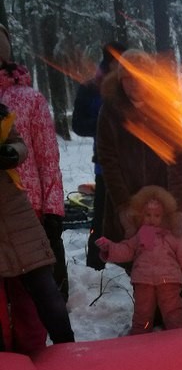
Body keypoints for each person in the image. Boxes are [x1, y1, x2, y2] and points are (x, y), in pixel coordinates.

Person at [96, 49, 182, 326]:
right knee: (143, 270)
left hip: (164, 204)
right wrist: (123, 205)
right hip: (132, 202)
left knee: (175, 268)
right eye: (127, 78)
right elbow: (108, 157)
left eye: (138, 78)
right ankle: (151, 327)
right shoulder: (111, 110)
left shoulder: (164, 107)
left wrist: (175, 206)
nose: (133, 84)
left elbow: (178, 159)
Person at [0, 24, 68, 302]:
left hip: (28, 209)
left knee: (30, 297)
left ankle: (37, 345)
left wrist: (53, 211)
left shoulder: (30, 99)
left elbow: (48, 159)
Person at [0, 105, 74, 346]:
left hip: (14, 210)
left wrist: (11, 152)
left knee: (45, 288)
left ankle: (70, 352)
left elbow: (18, 143)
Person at [95, 185, 182, 334]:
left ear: (164, 216)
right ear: (141, 215)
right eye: (148, 215)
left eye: (157, 216)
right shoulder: (141, 234)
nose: (152, 219)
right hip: (143, 280)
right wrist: (110, 248)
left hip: (169, 280)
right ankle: (140, 338)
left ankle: (179, 337)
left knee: (173, 311)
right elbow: (127, 249)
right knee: (142, 313)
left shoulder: (172, 234)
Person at [71, 40, 126, 270]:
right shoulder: (91, 88)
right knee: (102, 215)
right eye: (116, 61)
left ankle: (130, 260)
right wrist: (104, 124)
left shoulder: (131, 85)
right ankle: (95, 266)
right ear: (108, 61)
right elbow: (77, 125)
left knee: (132, 214)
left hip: (133, 164)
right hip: (104, 163)